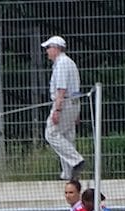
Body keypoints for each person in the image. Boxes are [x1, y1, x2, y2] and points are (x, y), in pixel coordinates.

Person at [41, 35, 85, 182]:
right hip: (73, 103)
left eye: (48, 48)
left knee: (51, 133)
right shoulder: (69, 63)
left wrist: (57, 110)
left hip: (64, 103)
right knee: (67, 136)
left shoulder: (61, 64)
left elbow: (61, 89)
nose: (47, 51)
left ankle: (76, 160)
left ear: (56, 48)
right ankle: (69, 175)